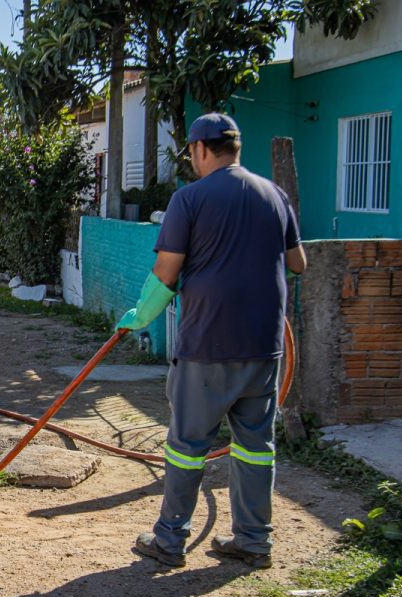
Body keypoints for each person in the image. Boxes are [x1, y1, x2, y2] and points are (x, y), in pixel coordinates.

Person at [120, 113, 307, 568]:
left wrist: (140, 315)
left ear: (201, 150)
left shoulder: (190, 199)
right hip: (264, 346)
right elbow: (298, 263)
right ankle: (254, 540)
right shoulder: (274, 195)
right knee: (255, 447)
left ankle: (169, 540)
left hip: (208, 343)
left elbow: (166, 272)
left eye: (191, 154)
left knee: (187, 445)